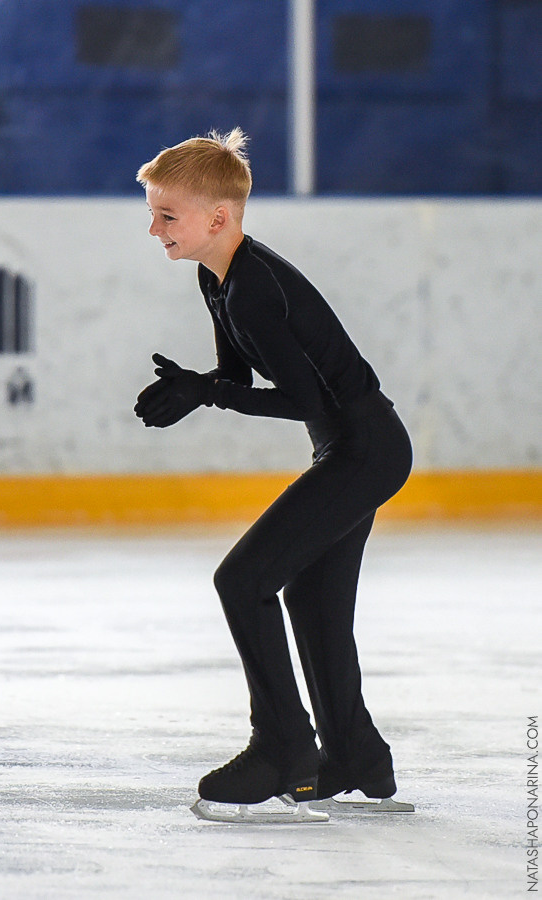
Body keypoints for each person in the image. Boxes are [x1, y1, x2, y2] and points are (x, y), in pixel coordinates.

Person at [133, 128, 413, 817]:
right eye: (154, 212)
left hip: (364, 448)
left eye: (167, 215)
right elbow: (236, 375)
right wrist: (203, 385)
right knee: (310, 602)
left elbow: (303, 400)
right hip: (348, 447)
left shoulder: (255, 287)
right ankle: (357, 761)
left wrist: (210, 392)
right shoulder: (217, 276)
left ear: (219, 218)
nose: (153, 228)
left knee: (243, 579)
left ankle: (284, 748)